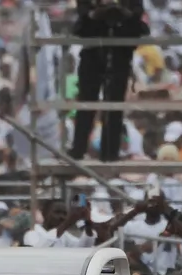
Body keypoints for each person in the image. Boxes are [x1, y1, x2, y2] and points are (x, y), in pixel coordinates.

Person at [67, 0, 147, 162]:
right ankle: (79, 149)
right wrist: (99, 12)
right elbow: (83, 11)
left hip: (120, 52)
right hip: (93, 50)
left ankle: (110, 152)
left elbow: (137, 12)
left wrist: (121, 12)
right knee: (87, 103)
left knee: (114, 105)